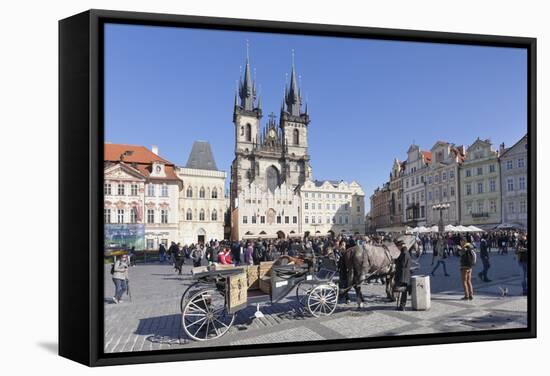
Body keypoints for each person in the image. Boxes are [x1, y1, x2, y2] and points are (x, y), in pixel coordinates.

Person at [394, 244, 411, 311]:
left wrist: (396, 262)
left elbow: (403, 265)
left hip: (403, 276)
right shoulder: (404, 253)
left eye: (398, 246)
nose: (397, 248)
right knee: (404, 292)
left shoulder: (404, 254)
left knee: (402, 290)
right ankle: (402, 306)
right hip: (404, 276)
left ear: (401, 246)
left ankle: (402, 306)